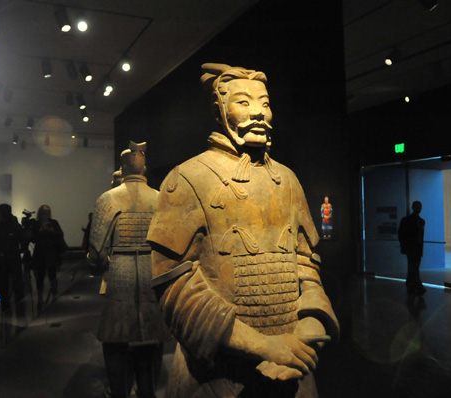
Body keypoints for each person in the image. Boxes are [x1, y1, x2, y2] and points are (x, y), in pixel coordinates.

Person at [147, 63, 339, 397]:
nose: (259, 113)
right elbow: (174, 285)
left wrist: (310, 325)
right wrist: (261, 345)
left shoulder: (288, 179)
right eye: (243, 102)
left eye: (264, 103)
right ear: (218, 109)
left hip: (293, 365)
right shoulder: (187, 178)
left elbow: (307, 263)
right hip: (216, 376)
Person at [88, 141, 168, 398]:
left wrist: (104, 265)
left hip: (120, 279)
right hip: (151, 279)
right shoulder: (160, 198)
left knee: (116, 346)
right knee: (150, 350)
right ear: (145, 168)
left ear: (122, 168)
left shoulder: (108, 199)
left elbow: (97, 255)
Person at [0, 204, 26, 317]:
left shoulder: (0, 227)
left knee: (5, 285)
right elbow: (23, 243)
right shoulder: (15, 226)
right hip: (12, 259)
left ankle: (7, 310)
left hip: (7, 260)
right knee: (14, 285)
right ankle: (19, 311)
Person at [31, 205, 65, 308]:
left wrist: (51, 231)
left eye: (48, 212)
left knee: (52, 274)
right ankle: (40, 296)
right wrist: (41, 230)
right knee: (40, 276)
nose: (46, 215)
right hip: (40, 253)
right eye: (44, 212)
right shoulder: (36, 224)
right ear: (40, 213)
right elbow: (32, 238)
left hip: (51, 252)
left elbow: (60, 234)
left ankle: (54, 294)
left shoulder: (53, 223)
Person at [398, 201, 426, 295]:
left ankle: (411, 285)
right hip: (412, 248)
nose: (419, 209)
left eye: (420, 207)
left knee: (413, 267)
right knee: (414, 267)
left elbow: (401, 234)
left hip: (416, 248)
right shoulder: (415, 221)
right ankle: (418, 286)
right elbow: (402, 234)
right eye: (417, 207)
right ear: (413, 208)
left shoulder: (419, 221)